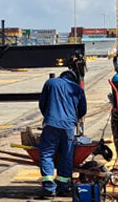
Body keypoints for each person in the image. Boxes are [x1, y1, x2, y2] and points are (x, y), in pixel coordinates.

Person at [37, 70, 87, 198]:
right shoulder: (77, 88)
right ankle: (63, 187)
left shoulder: (50, 83)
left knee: (47, 154)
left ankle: (49, 188)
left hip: (51, 125)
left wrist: (49, 116)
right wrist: (72, 119)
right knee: (66, 155)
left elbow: (42, 104)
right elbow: (83, 110)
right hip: (69, 127)